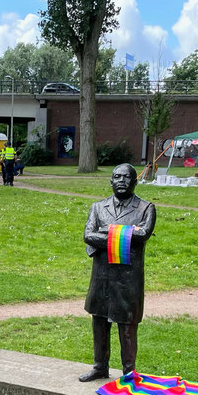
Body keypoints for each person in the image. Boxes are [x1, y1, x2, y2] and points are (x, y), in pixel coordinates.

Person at [79, 163, 155, 382]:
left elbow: (143, 234)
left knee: (127, 325)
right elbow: (88, 235)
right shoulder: (98, 207)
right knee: (99, 322)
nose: (121, 181)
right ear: (110, 181)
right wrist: (124, 235)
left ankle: (129, 372)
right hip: (101, 276)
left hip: (127, 278)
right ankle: (100, 366)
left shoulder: (145, 208)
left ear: (135, 181)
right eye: (116, 177)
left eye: (126, 177)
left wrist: (105, 232)